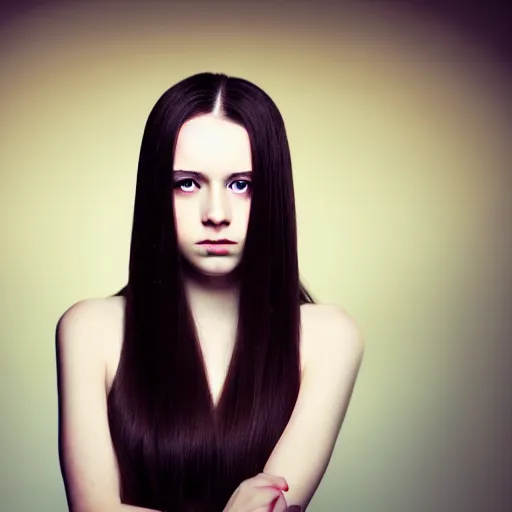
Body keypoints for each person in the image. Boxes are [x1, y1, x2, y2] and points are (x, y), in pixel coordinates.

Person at [55, 72, 365, 512]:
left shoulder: (330, 337)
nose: (216, 214)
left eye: (242, 185)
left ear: (273, 191)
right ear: (155, 193)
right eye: (187, 183)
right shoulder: (89, 329)